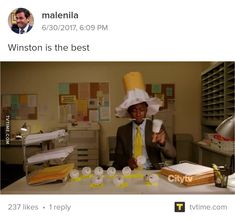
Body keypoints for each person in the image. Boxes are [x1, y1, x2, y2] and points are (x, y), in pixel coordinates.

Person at [113, 72, 176, 170]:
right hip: (131, 171)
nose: (138, 114)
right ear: (129, 112)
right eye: (134, 110)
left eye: (142, 110)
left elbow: (172, 155)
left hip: (152, 171)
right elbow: (118, 157)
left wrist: (163, 143)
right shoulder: (122, 131)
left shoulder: (156, 128)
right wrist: (127, 161)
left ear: (147, 110)